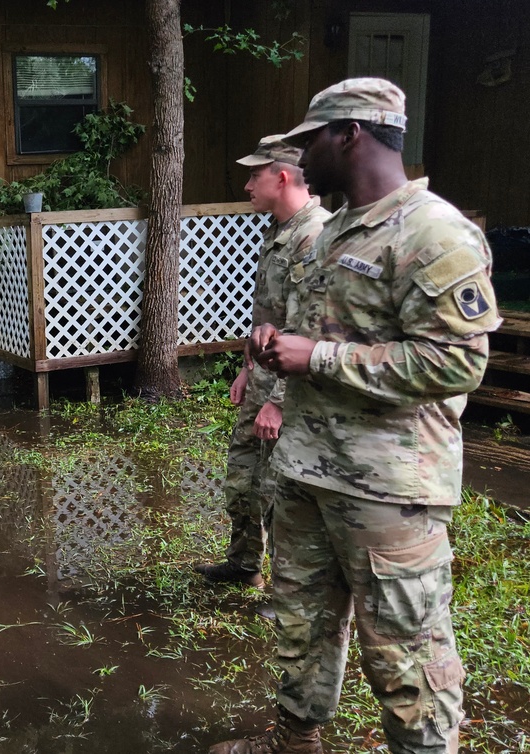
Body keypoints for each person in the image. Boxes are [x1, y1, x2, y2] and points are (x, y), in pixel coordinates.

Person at [209, 78, 500, 754]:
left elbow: (457, 365)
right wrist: (275, 350)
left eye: (310, 140)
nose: (300, 156)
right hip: (308, 474)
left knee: (405, 654)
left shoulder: (434, 231)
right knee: (300, 626)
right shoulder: (330, 232)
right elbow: (315, 334)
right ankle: (295, 741)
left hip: (388, 491)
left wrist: (323, 359)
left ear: (350, 136)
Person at [195, 135, 329, 590]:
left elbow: (312, 333)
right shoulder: (279, 231)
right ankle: (244, 564)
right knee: (245, 478)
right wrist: (248, 368)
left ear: (283, 176)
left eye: (255, 174)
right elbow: (271, 320)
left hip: (291, 392)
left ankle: (290, 592)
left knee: (283, 493)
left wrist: (280, 401)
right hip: (263, 381)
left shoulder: (316, 238)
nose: (248, 184)